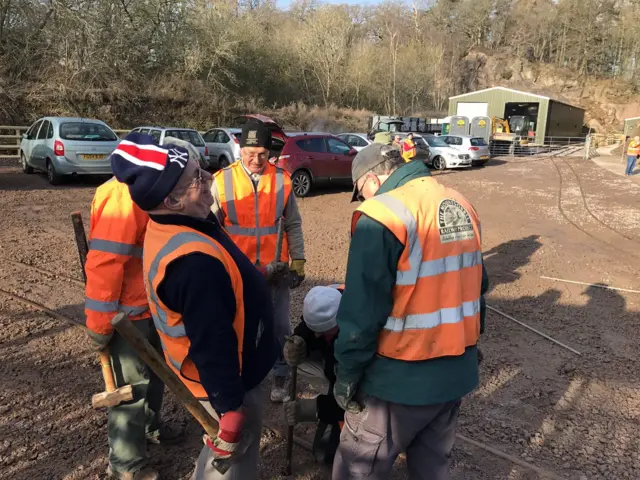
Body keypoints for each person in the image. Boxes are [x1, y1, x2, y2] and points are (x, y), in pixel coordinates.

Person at [110, 132, 278, 479]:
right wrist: (230, 407)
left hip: (232, 369)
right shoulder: (191, 263)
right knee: (232, 459)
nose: (207, 181)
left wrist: (252, 276)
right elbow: (211, 341)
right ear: (171, 200)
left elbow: (224, 269)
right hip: (230, 378)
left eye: (201, 171)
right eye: (196, 179)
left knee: (220, 453)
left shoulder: (185, 219)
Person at [332, 143, 489, 480]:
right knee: (432, 469)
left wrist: (347, 374)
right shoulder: (459, 203)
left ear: (371, 180)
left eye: (360, 193)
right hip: (453, 374)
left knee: (357, 467)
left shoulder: (382, 215)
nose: (363, 200)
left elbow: (362, 312)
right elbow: (477, 284)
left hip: (397, 382)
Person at [85, 154, 182, 480]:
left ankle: (150, 427)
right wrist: (99, 325)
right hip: (127, 315)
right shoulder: (122, 197)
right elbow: (104, 263)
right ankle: (127, 466)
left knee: (155, 376)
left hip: (150, 305)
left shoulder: (147, 192)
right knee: (129, 390)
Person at [210, 120, 306, 403]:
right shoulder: (221, 180)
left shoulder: (282, 179)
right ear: (240, 148)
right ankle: (242, 375)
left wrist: (298, 260)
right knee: (239, 324)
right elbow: (211, 229)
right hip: (238, 272)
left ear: (269, 151)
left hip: (275, 269)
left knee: (278, 326)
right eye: (250, 153)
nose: (255, 159)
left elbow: (294, 225)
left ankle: (280, 377)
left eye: (262, 154)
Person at [281, 285, 345, 464]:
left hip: (363, 397)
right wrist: (299, 339)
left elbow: (355, 399)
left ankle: (331, 402)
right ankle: (330, 393)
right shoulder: (333, 296)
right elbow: (308, 326)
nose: (316, 334)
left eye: (323, 330)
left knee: (328, 456)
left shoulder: (354, 343)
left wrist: (311, 409)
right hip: (335, 368)